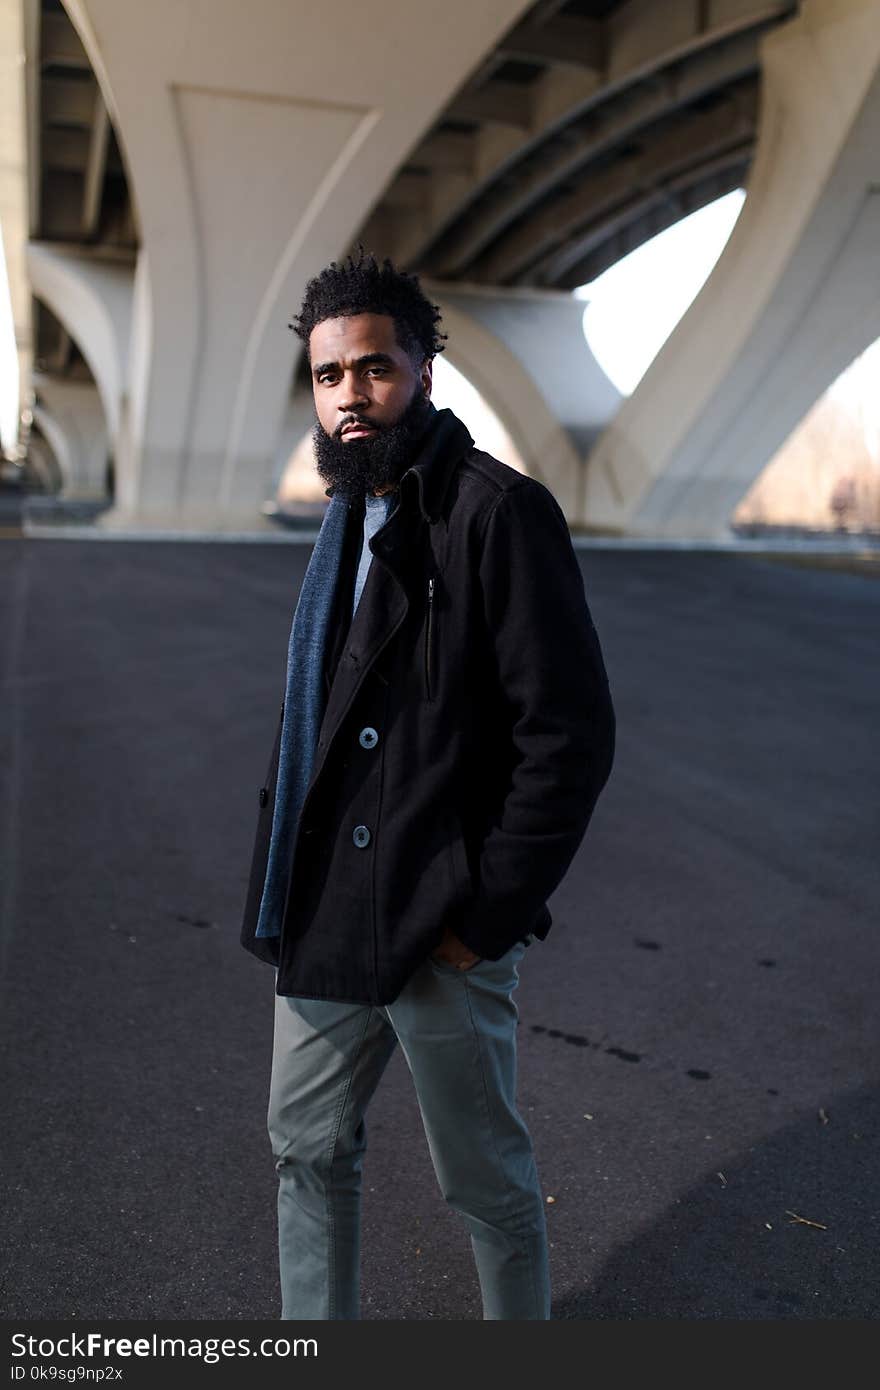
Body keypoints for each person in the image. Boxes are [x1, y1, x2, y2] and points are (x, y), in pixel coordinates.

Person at [240, 250, 616, 1321]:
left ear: (422, 374)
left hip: (435, 917)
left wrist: (485, 908)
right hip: (321, 910)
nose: (349, 395)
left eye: (373, 368)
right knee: (305, 1153)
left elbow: (569, 734)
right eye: (327, 376)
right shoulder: (342, 519)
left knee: (485, 1185)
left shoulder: (497, 513)